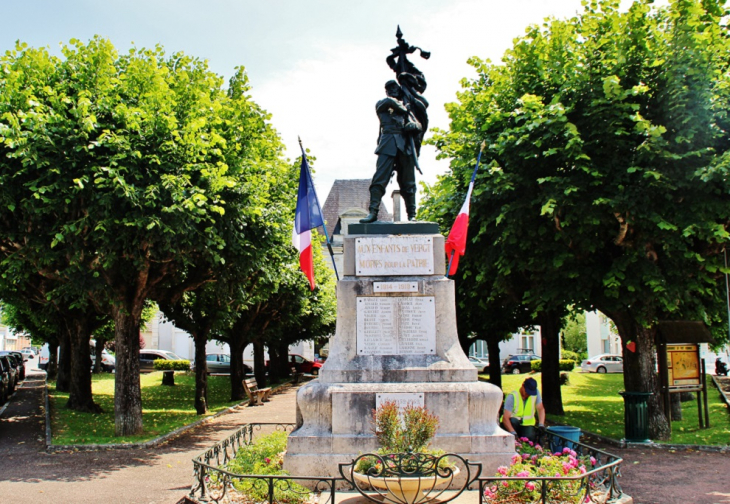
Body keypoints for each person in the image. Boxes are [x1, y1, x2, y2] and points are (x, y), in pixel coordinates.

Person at [360, 80, 421, 223]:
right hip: (387, 144)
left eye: (395, 88)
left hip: (404, 147)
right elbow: (388, 102)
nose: (392, 90)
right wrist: (403, 107)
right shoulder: (383, 104)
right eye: (389, 88)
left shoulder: (407, 110)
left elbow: (418, 124)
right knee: (379, 179)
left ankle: (412, 214)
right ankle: (373, 212)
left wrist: (413, 125)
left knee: (408, 181)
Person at [501, 377, 546, 441]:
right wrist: (513, 433)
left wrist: (541, 425)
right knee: (513, 421)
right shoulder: (512, 396)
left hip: (527, 424)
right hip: (513, 424)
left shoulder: (535, 393)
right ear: (522, 386)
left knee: (530, 437)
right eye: (527, 392)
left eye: (530, 393)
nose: (528, 395)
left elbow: (540, 409)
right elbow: (505, 418)